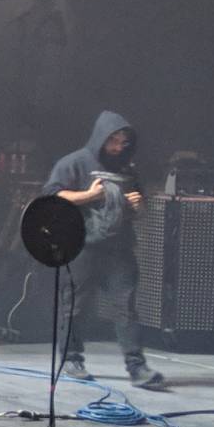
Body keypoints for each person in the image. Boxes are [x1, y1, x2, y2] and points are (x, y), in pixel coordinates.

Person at [47, 110, 165, 390]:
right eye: (113, 140)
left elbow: (138, 209)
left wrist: (138, 207)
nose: (118, 147)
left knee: (126, 307)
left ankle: (137, 367)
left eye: (123, 142)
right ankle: (71, 359)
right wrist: (89, 196)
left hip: (119, 249)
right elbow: (51, 196)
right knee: (73, 307)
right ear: (101, 137)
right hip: (81, 247)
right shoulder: (74, 163)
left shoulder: (127, 169)